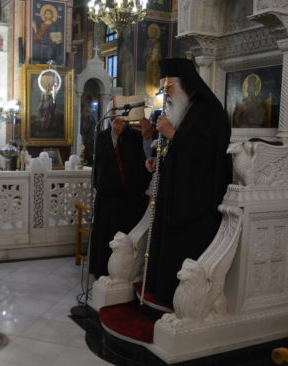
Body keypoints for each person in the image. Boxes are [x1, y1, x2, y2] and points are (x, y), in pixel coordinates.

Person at [143, 58, 232, 309]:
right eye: (164, 89)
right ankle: (162, 292)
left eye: (169, 88)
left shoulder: (209, 111)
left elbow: (208, 154)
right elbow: (179, 151)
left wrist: (173, 134)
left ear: (185, 84)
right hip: (175, 195)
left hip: (195, 202)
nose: (167, 95)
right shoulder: (185, 109)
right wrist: (159, 161)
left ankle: (181, 300)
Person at [88, 112, 152, 279]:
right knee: (106, 240)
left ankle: (126, 275)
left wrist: (146, 136)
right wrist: (114, 137)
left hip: (130, 200)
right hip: (108, 200)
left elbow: (145, 163)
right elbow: (102, 166)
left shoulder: (136, 136)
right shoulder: (102, 136)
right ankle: (102, 273)